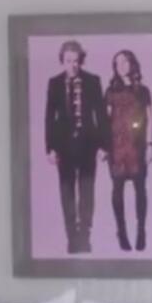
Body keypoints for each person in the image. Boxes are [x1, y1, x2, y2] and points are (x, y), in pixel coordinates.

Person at [45, 39, 108, 254]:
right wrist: (50, 148)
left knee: (87, 191)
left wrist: (103, 146)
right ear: (62, 61)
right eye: (68, 61)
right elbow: (49, 118)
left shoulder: (93, 81)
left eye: (76, 61)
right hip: (64, 147)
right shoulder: (54, 83)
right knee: (67, 192)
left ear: (81, 60)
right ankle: (72, 237)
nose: (72, 65)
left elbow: (101, 116)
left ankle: (85, 236)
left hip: (88, 145)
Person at [104, 49, 152, 252]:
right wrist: (103, 146)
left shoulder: (143, 91)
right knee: (117, 191)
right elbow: (105, 121)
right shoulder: (110, 91)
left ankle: (141, 231)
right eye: (117, 63)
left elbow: (150, 119)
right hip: (116, 148)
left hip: (137, 146)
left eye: (124, 62)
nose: (121, 66)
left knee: (140, 189)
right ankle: (121, 232)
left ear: (132, 64)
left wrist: (151, 145)